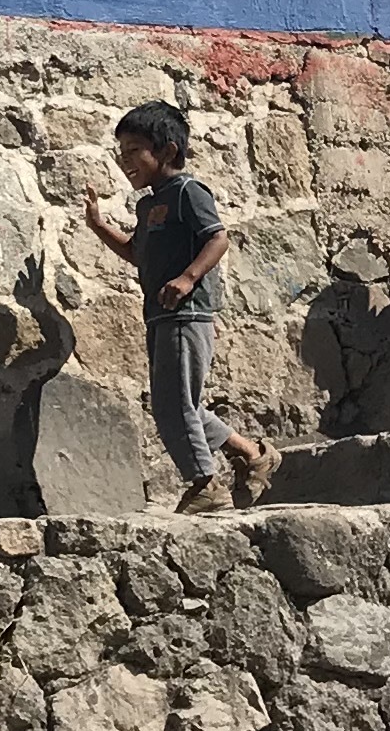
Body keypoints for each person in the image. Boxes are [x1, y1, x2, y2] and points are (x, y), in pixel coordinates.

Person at [80, 101, 270, 514]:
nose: (125, 160)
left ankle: (205, 484)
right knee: (183, 404)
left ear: (166, 151)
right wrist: (98, 226)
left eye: (134, 150)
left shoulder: (189, 192)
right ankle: (254, 455)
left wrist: (187, 279)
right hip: (160, 315)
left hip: (187, 313)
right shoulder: (148, 205)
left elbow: (217, 239)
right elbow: (136, 253)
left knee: (173, 405)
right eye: (121, 151)